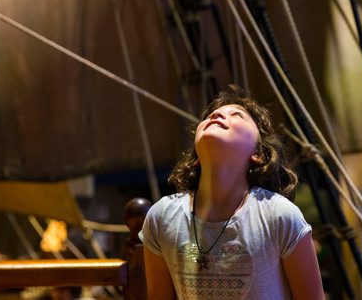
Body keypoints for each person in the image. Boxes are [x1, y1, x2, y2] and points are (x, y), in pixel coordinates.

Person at [139, 85, 324, 299]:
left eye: (236, 115)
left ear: (257, 154)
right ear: (196, 156)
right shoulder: (162, 217)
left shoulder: (280, 216)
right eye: (211, 116)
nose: (216, 114)